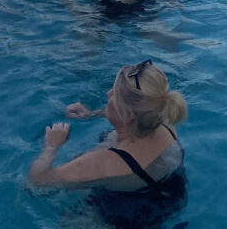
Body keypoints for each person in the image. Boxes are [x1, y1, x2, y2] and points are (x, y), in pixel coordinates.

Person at [28, 60, 187, 214]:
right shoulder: (163, 118)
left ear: (129, 115)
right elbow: (133, 115)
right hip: (172, 194)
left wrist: (51, 146)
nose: (108, 93)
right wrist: (92, 114)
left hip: (122, 216)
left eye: (114, 95)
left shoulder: (101, 163)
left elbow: (38, 183)